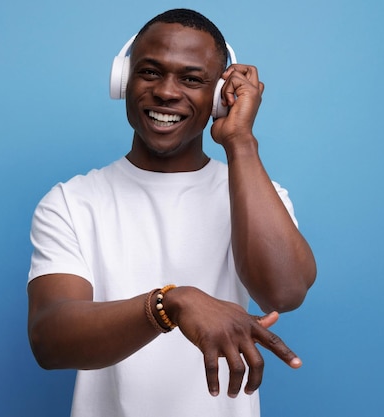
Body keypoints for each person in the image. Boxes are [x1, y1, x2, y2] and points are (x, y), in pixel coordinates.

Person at [27, 8, 316, 417]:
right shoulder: (72, 201)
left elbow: (284, 293)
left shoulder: (257, 196)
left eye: (192, 79)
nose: (166, 91)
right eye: (149, 72)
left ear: (219, 95)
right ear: (123, 81)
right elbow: (50, 339)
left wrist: (239, 141)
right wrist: (169, 304)